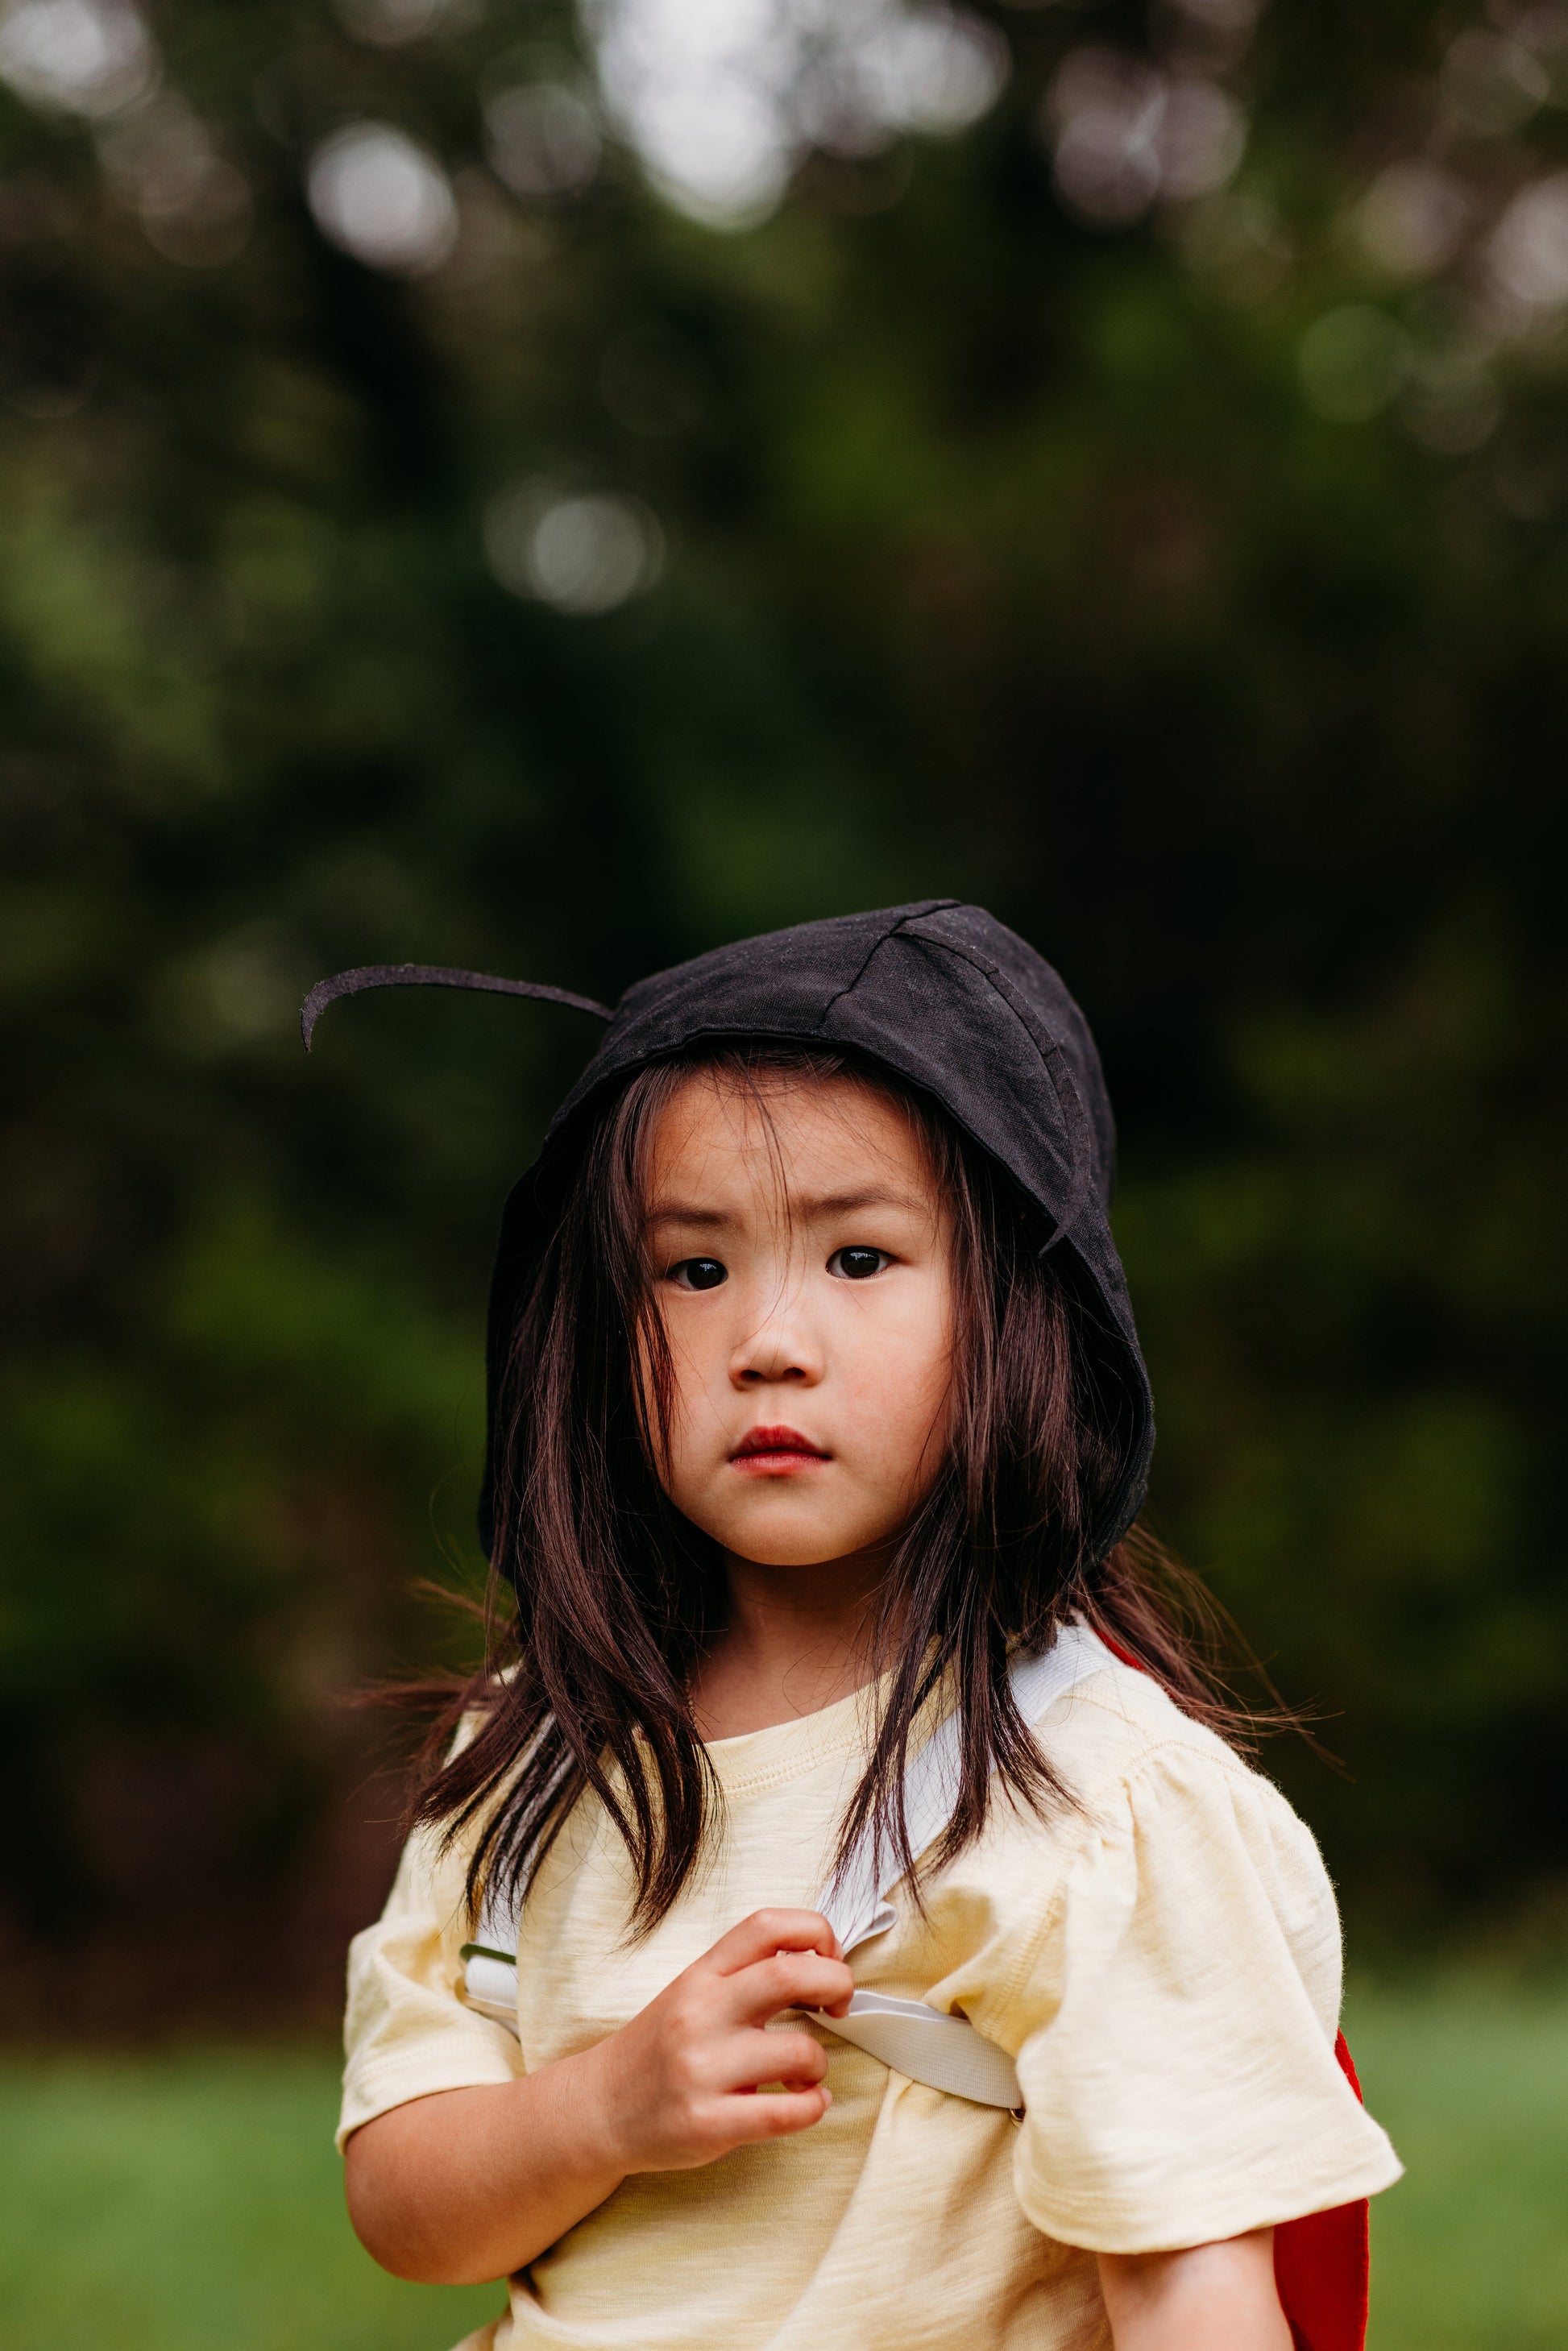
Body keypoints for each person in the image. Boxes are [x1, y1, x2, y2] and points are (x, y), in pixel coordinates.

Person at [309, 902, 1401, 2351]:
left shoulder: (1096, 1798)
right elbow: (404, 2211)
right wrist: (604, 2108)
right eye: (692, 1270)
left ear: (1014, 1308)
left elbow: (1193, 2290)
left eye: (859, 1258)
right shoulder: (531, 1752)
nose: (767, 1338)